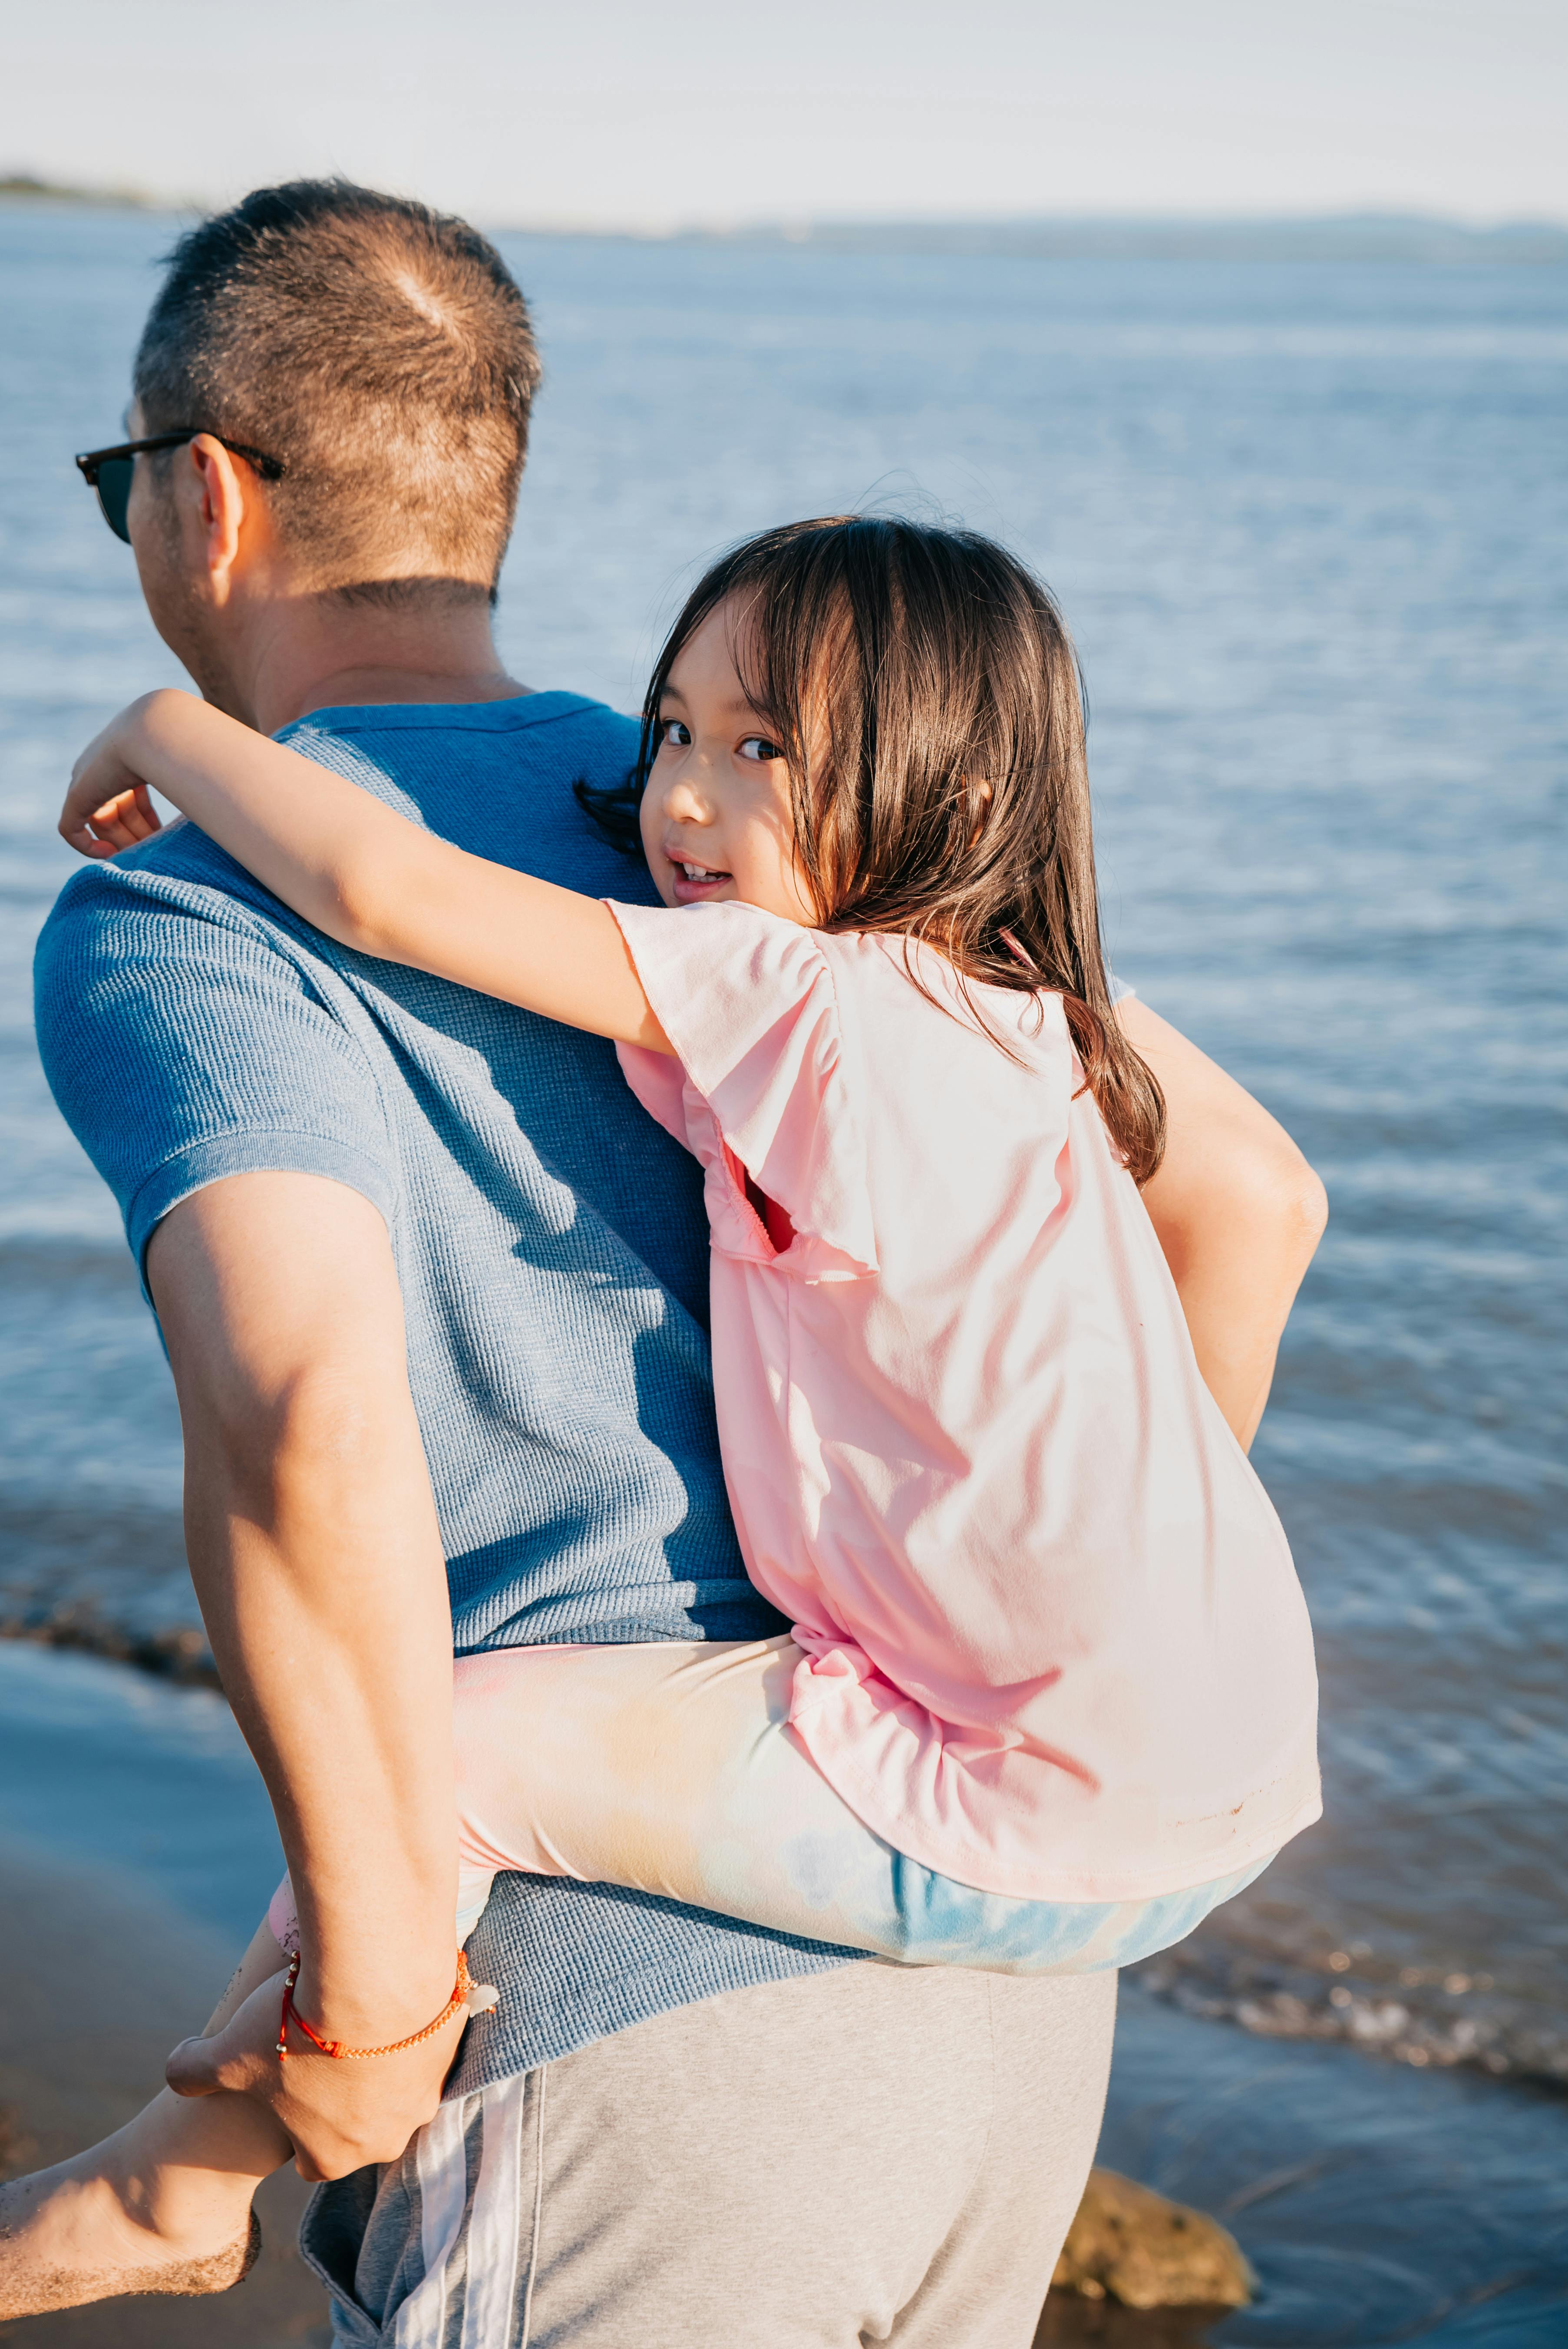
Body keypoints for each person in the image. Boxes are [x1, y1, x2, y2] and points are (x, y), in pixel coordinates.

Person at [10, 183, 1327, 2348]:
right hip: (1024, 1999)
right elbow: (1251, 1191)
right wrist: (1087, 1573)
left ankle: (181, 2179)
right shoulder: (848, 873)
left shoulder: (207, 905)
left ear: (207, 497)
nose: (695, 788)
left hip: (622, 2050)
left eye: (115, 484)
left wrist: (367, 2016)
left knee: (447, 1753)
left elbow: (305, 1424)